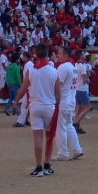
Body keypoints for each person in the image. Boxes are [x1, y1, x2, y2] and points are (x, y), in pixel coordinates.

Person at [20, 43, 59, 177]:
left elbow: (23, 89)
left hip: (35, 106)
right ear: (47, 54)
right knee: (49, 137)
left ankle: (38, 166)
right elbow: (58, 95)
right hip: (49, 106)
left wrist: (15, 101)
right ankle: (47, 164)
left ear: (35, 54)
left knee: (37, 138)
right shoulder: (54, 71)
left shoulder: (31, 71)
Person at [53, 46, 84, 162]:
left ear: (66, 55)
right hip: (71, 100)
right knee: (69, 126)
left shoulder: (63, 67)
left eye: (60, 53)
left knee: (60, 127)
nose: (58, 55)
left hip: (63, 100)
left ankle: (63, 153)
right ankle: (77, 149)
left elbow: (58, 84)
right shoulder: (73, 66)